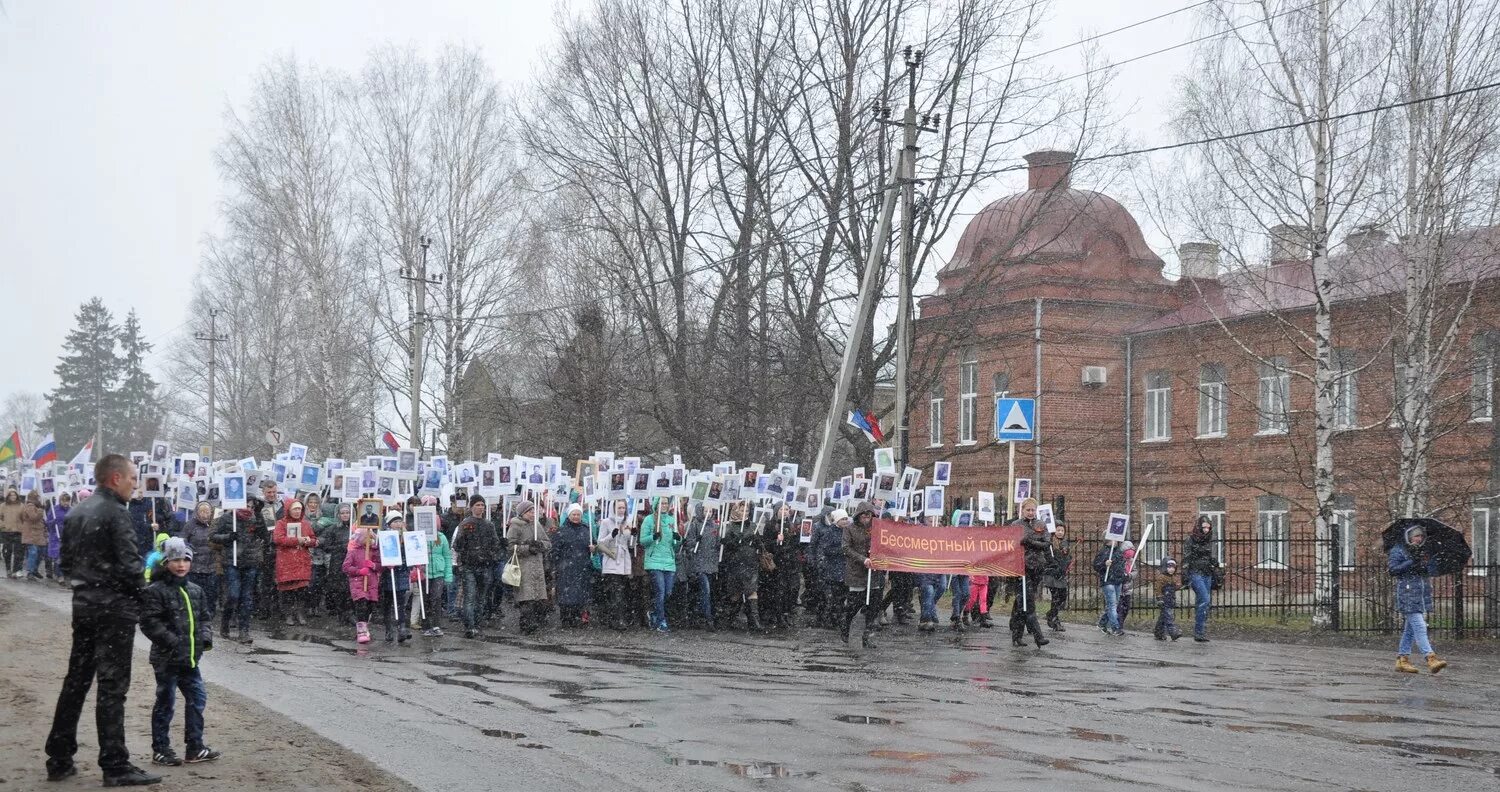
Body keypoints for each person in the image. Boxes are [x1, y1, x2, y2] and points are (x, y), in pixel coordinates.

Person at [45, 454, 162, 787]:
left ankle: (59, 756)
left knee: (76, 681)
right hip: (113, 611)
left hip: (84, 606)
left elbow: (66, 564)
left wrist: (90, 584)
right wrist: (145, 603)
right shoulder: (116, 513)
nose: (135, 484)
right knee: (112, 687)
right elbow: (130, 567)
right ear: (115, 478)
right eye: (132, 478)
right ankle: (114, 763)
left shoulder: (78, 511)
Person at [139, 538, 220, 767]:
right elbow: (148, 622)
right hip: (167, 659)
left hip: (190, 659)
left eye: (185, 559)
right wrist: (171, 641)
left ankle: (195, 747)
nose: (181, 564)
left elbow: (204, 617)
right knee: (166, 702)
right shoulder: (155, 591)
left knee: (197, 699)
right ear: (166, 562)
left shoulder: (196, 590)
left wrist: (205, 638)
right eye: (175, 560)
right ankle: (161, 749)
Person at [1389, 524, 1448, 674]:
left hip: (1421, 595)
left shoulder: (1424, 552)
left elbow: (1433, 571)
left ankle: (1402, 660)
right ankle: (1430, 658)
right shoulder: (1399, 550)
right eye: (1416, 536)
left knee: (1410, 630)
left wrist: (1427, 563)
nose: (1419, 538)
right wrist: (1411, 561)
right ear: (1409, 536)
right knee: (1420, 626)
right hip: (1407, 593)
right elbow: (1393, 570)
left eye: (1421, 536)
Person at [210, 502, 266, 644]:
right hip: (232, 561)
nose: (249, 508)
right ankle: (226, 620)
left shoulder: (255, 518)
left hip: (250, 561)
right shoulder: (227, 518)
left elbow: (264, 535)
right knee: (233, 595)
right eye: (246, 505)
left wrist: (259, 517)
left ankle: (244, 631)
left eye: (252, 506)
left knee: (246, 598)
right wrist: (228, 537)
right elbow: (213, 536)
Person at [451, 496, 502, 639]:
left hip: (484, 566)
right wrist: (466, 556)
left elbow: (495, 544)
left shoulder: (488, 525)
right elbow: (457, 545)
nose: (481, 507)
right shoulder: (466, 524)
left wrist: (489, 555)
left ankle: (477, 624)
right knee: (470, 597)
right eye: (478, 505)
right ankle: (470, 626)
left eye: (482, 505)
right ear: (472, 507)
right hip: (469, 566)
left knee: (481, 597)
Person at [840, 502, 885, 648]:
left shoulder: (877, 529)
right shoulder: (850, 529)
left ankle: (867, 636)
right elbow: (846, 548)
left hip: (874, 572)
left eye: (869, 516)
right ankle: (845, 625)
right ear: (858, 516)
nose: (866, 518)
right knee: (854, 604)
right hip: (857, 572)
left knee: (873, 606)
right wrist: (863, 559)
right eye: (864, 516)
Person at [1009, 499, 1051, 647]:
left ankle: (1016, 634)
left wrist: (1030, 542)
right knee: (1028, 603)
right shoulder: (1016, 525)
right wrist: (1021, 542)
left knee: (1023, 603)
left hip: (1037, 567)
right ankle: (1038, 636)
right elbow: (1011, 544)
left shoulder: (1040, 524)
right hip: (1021, 567)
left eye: (1033, 510)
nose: (1031, 513)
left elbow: (1046, 543)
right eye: (1028, 510)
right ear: (1023, 510)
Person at [506, 501, 552, 634]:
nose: (532, 514)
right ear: (522, 513)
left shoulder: (537, 525)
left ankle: (535, 623)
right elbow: (510, 546)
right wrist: (527, 548)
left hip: (537, 566)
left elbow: (548, 542)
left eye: (533, 511)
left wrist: (540, 546)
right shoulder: (515, 526)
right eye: (529, 511)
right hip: (523, 567)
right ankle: (526, 624)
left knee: (538, 598)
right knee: (526, 598)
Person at [272, 500, 318, 626]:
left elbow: (313, 539)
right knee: (288, 590)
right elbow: (278, 539)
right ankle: (288, 614)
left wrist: (309, 541)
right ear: (288, 510)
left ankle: (300, 613)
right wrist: (297, 540)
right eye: (295, 509)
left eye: (299, 509)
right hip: (286, 561)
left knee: (302, 589)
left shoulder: (306, 524)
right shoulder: (281, 523)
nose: (297, 511)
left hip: (302, 560)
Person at [719, 501, 763, 630]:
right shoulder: (729, 526)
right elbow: (726, 546)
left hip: (750, 563)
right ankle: (730, 618)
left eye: (747, 511)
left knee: (752, 591)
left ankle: (754, 621)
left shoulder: (753, 526)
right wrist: (733, 542)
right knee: (736, 593)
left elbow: (760, 544)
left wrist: (755, 541)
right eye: (742, 510)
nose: (745, 513)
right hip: (736, 564)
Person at [639, 497, 680, 633]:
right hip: (654, 561)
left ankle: (655, 613)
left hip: (669, 562)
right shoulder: (649, 520)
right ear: (656, 504)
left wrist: (678, 539)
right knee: (660, 591)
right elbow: (642, 541)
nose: (664, 505)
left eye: (666, 503)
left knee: (668, 592)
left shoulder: (670, 520)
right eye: (661, 503)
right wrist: (652, 537)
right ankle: (662, 621)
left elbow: (675, 544)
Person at [175, 502, 220, 623]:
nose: (205, 514)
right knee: (195, 595)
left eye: (207, 511)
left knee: (211, 595)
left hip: (211, 566)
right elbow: (183, 541)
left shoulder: (214, 525)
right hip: (195, 567)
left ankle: (208, 617)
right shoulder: (190, 526)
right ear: (197, 512)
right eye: (202, 511)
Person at [552, 504, 595, 628]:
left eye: (578, 515)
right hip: (566, 568)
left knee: (580, 595)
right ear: (569, 515)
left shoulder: (586, 529)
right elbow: (555, 550)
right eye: (574, 514)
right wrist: (558, 565)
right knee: (566, 596)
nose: (576, 517)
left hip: (582, 567)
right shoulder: (561, 531)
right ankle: (566, 619)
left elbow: (593, 544)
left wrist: (593, 549)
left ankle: (577, 618)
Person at [596, 500, 636, 631]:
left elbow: (631, 545)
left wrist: (634, 535)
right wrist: (611, 535)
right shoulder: (606, 522)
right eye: (619, 507)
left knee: (623, 592)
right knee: (616, 593)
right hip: (612, 560)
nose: (621, 510)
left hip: (624, 562)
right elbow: (600, 543)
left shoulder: (627, 522)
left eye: (623, 507)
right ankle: (617, 619)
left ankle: (620, 618)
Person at [680, 503, 720, 630]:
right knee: (705, 590)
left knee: (705, 592)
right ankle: (708, 619)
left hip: (711, 563)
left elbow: (717, 544)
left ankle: (697, 615)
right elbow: (688, 544)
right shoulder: (694, 525)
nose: (708, 513)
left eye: (710, 510)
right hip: (699, 564)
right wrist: (695, 542)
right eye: (705, 510)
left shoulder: (715, 526)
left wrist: (720, 545)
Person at [1183, 516, 1221, 642]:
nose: (1206, 530)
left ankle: (1200, 632)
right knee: (1204, 599)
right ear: (1199, 527)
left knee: (1204, 603)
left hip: (1207, 573)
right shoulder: (1191, 539)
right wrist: (1185, 574)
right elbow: (1186, 557)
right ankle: (1199, 631)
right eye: (1204, 527)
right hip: (1195, 573)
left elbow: (1211, 555)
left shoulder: (1210, 539)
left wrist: (1214, 562)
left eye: (1208, 527)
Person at [809, 508, 847, 629]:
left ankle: (837, 618)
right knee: (830, 596)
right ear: (837, 520)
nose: (845, 521)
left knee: (840, 596)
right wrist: (841, 551)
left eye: (846, 519)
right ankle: (828, 618)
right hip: (831, 568)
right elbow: (825, 549)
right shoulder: (830, 532)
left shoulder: (846, 532)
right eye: (843, 519)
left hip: (843, 568)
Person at [342, 526, 381, 644]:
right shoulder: (353, 552)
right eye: (366, 538)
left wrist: (373, 565)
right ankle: (361, 631)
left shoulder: (374, 551)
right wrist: (359, 571)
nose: (369, 540)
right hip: (358, 584)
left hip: (371, 583)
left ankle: (364, 626)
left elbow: (381, 566)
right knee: (361, 605)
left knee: (369, 606)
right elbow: (346, 567)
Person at [379, 511, 413, 643]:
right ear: (389, 524)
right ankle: (388, 629)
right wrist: (387, 563)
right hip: (388, 574)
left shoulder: (406, 537)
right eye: (395, 522)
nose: (398, 524)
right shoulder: (384, 537)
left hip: (402, 573)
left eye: (399, 521)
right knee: (387, 603)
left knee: (400, 603)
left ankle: (402, 628)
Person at [318, 504, 352, 623]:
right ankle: (340, 613)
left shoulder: (354, 528)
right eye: (342, 513)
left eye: (347, 512)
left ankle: (349, 612)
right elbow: (326, 547)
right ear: (338, 515)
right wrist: (342, 547)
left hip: (351, 562)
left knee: (349, 588)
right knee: (338, 589)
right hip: (337, 562)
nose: (345, 515)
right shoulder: (333, 529)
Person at [420, 521, 453, 637]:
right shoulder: (419, 536)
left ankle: (436, 624)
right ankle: (425, 625)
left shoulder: (441, 538)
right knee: (425, 599)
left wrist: (448, 574)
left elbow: (447, 556)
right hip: (424, 573)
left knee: (436, 598)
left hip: (438, 573)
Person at [1092, 540, 1128, 636]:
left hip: (1117, 581)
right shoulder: (1103, 552)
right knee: (1112, 605)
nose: (1115, 541)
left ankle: (1102, 623)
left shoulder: (1118, 552)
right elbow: (1096, 566)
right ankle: (1115, 628)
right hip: (1107, 581)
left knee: (1113, 605)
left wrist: (1123, 576)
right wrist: (1104, 564)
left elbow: (1121, 566)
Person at [1041, 523, 1072, 632]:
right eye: (1058, 530)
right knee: (1056, 597)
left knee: (1063, 597)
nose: (1060, 532)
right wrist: (1054, 565)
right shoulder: (1049, 543)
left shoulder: (1065, 543)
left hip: (1061, 575)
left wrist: (1067, 562)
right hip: (1051, 574)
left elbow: (1067, 557)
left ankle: (1051, 614)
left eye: (1062, 530)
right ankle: (1054, 620)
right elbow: (1047, 558)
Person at [44, 492, 73, 582]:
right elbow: (47, 523)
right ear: (60, 500)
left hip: (67, 536)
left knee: (65, 557)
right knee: (58, 556)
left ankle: (62, 573)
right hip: (56, 536)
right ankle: (59, 575)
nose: (66, 503)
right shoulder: (54, 510)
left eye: (67, 501)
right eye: (63, 501)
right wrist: (53, 522)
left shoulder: (72, 510)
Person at [19, 490, 47, 580]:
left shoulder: (36, 506)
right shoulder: (30, 506)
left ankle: (34, 570)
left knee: (40, 553)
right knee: (33, 553)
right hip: (31, 533)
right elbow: (33, 518)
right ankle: (30, 572)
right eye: (37, 497)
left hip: (38, 534)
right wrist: (40, 510)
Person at [1154, 558, 1183, 641]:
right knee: (1169, 617)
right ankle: (1173, 633)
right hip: (1164, 600)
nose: (1171, 569)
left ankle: (1158, 633)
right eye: (1169, 567)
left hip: (1170, 599)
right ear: (1165, 567)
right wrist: (1159, 598)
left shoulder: (1173, 577)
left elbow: (1175, 587)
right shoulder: (1161, 577)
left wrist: (1179, 586)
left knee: (1163, 617)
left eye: (1173, 568)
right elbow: (1158, 589)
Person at [0, 487, 24, 576]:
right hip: (6, 531)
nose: (13, 496)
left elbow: (24, 518)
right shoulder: (3, 506)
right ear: (8, 496)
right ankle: (8, 569)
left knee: (18, 552)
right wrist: (3, 525)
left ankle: (15, 571)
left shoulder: (21, 505)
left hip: (18, 531)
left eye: (14, 495)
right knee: (7, 551)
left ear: (17, 496)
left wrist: (22, 526)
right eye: (11, 495)